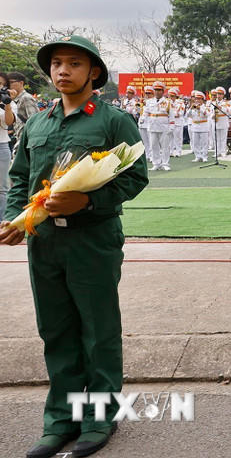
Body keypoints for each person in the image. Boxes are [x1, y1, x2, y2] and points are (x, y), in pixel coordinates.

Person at [0, 34, 149, 458]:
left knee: (98, 332)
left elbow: (135, 177)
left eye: (74, 63)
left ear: (93, 72)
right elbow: (20, 178)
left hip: (92, 240)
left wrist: (87, 201)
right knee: (56, 330)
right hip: (45, 242)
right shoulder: (38, 123)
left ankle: (99, 418)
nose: (63, 70)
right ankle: (60, 420)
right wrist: (14, 218)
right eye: (56, 64)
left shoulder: (112, 121)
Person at [0, 72, 18, 219]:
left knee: (2, 188)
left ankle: (2, 222)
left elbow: (8, 122)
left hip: (2, 146)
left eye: (1, 84)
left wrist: (7, 104)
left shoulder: (9, 103)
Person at [144, 81, 171, 171]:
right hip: (152, 126)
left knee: (165, 146)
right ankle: (156, 163)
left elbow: (171, 115)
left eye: (159, 90)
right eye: (155, 90)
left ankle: (165, 163)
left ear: (163, 91)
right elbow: (146, 113)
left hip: (163, 126)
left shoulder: (167, 102)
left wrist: (171, 127)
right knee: (153, 146)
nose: (157, 92)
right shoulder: (149, 102)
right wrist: (145, 121)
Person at [8, 71, 40, 141]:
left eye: (11, 82)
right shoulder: (15, 100)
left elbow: (35, 121)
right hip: (20, 139)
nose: (8, 85)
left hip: (27, 140)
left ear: (21, 83)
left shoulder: (26, 98)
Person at [186, 91, 212, 162]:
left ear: (202, 100)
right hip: (195, 126)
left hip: (203, 126)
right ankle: (197, 156)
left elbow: (207, 114)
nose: (197, 100)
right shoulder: (193, 107)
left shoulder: (205, 107)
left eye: (199, 99)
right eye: (196, 99)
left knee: (204, 143)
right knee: (195, 143)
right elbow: (187, 115)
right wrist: (191, 108)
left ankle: (204, 156)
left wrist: (200, 108)